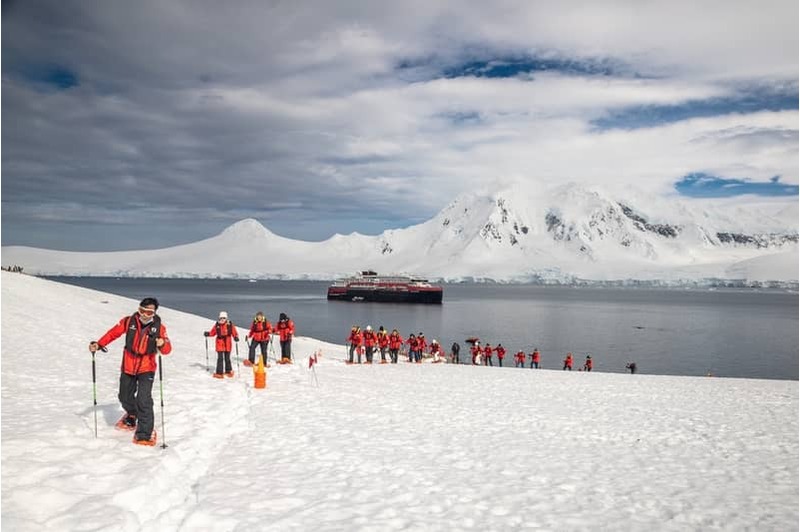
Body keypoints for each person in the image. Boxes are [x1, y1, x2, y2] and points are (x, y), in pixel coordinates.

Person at [89, 297, 171, 445]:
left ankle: (144, 433)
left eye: (149, 312)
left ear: (154, 313)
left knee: (143, 399)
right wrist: (99, 344)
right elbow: (113, 333)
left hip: (147, 366)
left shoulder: (160, 328)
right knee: (124, 396)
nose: (145, 315)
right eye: (142, 311)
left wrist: (162, 343)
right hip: (128, 364)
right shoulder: (128, 321)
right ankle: (132, 414)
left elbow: (167, 350)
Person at [205, 311, 239, 378]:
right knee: (220, 358)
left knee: (227, 358)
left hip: (228, 343)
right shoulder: (217, 325)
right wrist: (208, 334)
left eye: (224, 318)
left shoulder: (230, 324)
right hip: (219, 343)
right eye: (221, 318)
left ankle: (228, 371)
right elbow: (213, 332)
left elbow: (234, 332)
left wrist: (236, 337)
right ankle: (219, 373)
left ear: (226, 318)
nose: (222, 319)